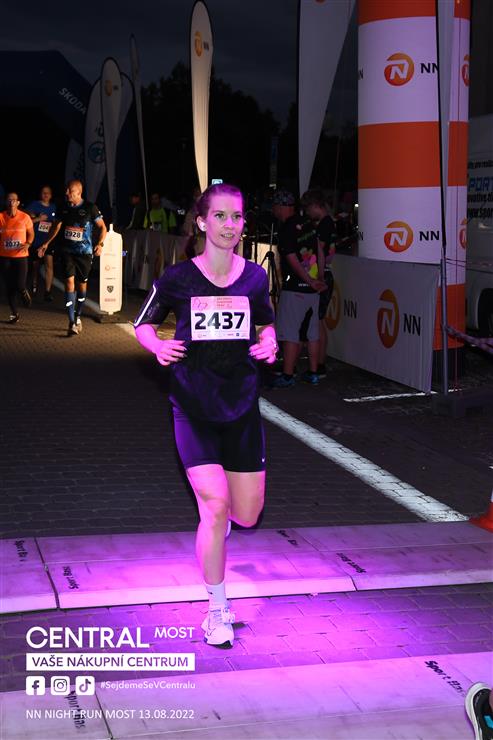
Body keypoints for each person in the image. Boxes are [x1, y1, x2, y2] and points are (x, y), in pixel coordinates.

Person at [134, 183, 277, 648]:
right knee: (214, 508)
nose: (229, 225)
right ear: (201, 222)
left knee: (247, 515)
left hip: (241, 407)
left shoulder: (255, 277)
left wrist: (269, 341)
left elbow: (265, 322)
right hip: (193, 405)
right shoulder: (177, 278)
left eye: (236, 217)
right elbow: (143, 323)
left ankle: (220, 527)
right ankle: (217, 609)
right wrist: (157, 345)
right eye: (219, 216)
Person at [271, 189, 326, 388]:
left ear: (280, 206)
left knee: (290, 332)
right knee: (312, 333)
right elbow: (319, 251)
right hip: (313, 289)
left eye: (275, 206)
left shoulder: (287, 228)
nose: (273, 210)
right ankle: (313, 373)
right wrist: (319, 278)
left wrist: (310, 281)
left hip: (296, 288)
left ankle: (287, 375)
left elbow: (292, 259)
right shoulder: (308, 224)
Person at [38, 180, 107, 335]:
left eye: (70, 191)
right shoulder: (63, 207)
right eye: (66, 190)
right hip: (67, 251)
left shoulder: (90, 208)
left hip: (84, 253)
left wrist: (100, 244)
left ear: (78, 192)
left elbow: (103, 227)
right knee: (69, 283)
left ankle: (78, 315)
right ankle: (71, 322)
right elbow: (56, 226)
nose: (67, 193)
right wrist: (46, 243)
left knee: (81, 287)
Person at [301, 189, 337, 378]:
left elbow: (319, 252)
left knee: (318, 321)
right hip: (323, 274)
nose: (307, 213)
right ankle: (319, 362)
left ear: (315, 205)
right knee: (318, 320)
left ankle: (320, 363)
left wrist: (319, 276)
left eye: (308, 209)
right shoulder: (327, 222)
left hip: (322, 275)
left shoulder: (325, 224)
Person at [0, 193, 34, 323]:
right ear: (5, 202)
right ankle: (15, 314)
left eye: (14, 200)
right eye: (9, 200)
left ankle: (23, 291)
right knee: (9, 287)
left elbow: (31, 234)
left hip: (21, 256)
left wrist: (28, 243)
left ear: (18, 203)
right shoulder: (1, 217)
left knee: (19, 284)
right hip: (5, 257)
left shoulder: (25, 217)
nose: (11, 203)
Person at [27, 185, 57, 301]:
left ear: (51, 195)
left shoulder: (53, 207)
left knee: (49, 265)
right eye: (44, 192)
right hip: (35, 240)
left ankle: (48, 291)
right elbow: (26, 221)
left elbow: (56, 224)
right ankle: (34, 285)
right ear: (40, 194)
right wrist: (38, 219)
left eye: (48, 193)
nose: (46, 195)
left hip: (47, 241)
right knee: (35, 266)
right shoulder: (34, 205)